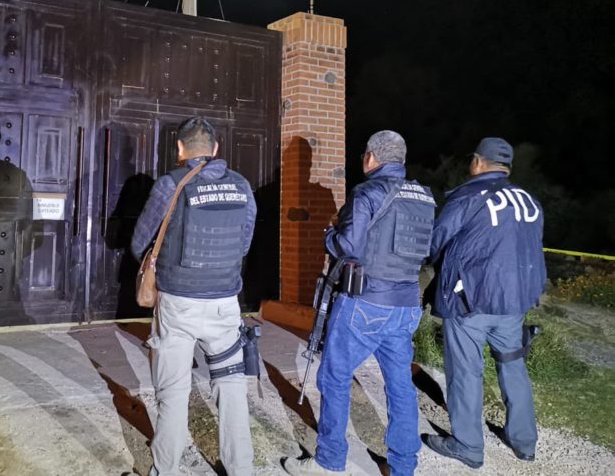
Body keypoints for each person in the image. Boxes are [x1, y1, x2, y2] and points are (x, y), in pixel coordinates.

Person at [283, 130, 436, 476]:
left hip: (367, 303)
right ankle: (403, 466)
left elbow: (348, 245)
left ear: (371, 157)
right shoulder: (424, 196)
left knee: (335, 377)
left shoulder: (368, 191)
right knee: (399, 385)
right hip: (407, 304)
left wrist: (328, 234)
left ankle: (330, 460)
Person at [131, 117, 258, 476]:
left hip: (179, 303)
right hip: (224, 305)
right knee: (231, 387)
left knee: (172, 391)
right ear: (216, 149)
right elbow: (244, 244)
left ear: (180, 149)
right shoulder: (242, 186)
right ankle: (241, 469)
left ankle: (166, 469)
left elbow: (140, 241)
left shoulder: (170, 184)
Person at [422, 137, 546, 469]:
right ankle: (524, 441)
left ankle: (468, 445)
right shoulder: (529, 200)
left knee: (465, 370)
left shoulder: (468, 196)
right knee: (512, 364)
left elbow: (436, 241)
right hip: (514, 301)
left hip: (471, 300)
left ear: (478, 163)